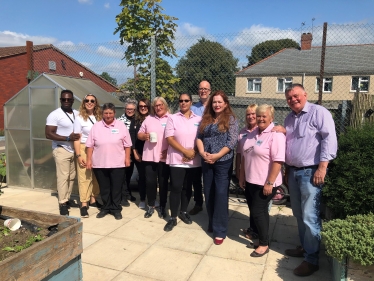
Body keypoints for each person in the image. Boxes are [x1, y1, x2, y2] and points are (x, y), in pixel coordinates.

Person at [282, 84, 337, 276]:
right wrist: (287, 170)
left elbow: (329, 139)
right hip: (293, 171)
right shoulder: (289, 118)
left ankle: (312, 260)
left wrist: (323, 167)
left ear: (305, 95)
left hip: (311, 172)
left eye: (296, 96)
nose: (293, 100)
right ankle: (305, 248)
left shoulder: (319, 112)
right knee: (298, 213)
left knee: (309, 216)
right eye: (289, 98)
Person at [238, 104, 285, 257]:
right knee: (257, 212)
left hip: (266, 183)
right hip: (251, 180)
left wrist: (270, 183)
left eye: (264, 116)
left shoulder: (275, 135)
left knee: (258, 212)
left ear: (271, 118)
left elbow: (278, 161)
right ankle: (260, 239)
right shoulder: (252, 134)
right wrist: (242, 176)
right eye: (259, 115)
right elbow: (245, 155)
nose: (260, 118)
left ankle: (264, 244)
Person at [196, 90, 238, 245]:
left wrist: (217, 155)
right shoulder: (206, 119)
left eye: (220, 102)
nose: (217, 104)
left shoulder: (231, 119)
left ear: (225, 103)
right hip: (206, 160)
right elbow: (199, 137)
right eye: (214, 102)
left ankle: (220, 230)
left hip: (223, 161)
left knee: (220, 194)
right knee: (209, 192)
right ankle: (212, 222)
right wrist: (202, 152)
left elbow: (232, 141)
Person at [86, 103, 132, 220]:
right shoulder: (96, 126)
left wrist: (127, 158)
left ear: (114, 113)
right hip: (100, 163)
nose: (108, 115)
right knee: (104, 187)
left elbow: (127, 145)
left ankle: (116, 208)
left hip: (118, 163)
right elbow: (90, 145)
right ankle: (106, 207)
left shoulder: (121, 126)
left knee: (116, 188)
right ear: (102, 114)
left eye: (110, 113)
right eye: (105, 113)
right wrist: (89, 160)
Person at [164, 93, 202, 231]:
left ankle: (183, 212)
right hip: (177, 159)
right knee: (175, 188)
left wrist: (194, 153)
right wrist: (185, 152)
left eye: (186, 100)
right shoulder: (172, 118)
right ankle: (173, 217)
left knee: (187, 188)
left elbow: (202, 138)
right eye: (181, 100)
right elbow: (170, 138)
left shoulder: (199, 119)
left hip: (194, 160)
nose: (183, 103)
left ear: (191, 102)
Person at [45, 89, 80, 215]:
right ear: (60, 100)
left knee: (71, 177)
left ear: (72, 100)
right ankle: (62, 203)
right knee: (63, 177)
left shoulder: (77, 113)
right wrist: (67, 138)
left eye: (69, 99)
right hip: (61, 149)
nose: (66, 101)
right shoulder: (55, 115)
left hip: (74, 150)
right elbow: (49, 134)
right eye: (64, 99)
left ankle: (67, 198)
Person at [138, 97, 170, 219]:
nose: (158, 107)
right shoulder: (148, 119)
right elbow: (139, 134)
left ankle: (162, 207)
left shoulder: (171, 119)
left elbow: (175, 137)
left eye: (161, 105)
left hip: (164, 157)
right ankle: (151, 205)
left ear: (165, 105)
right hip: (149, 156)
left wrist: (169, 150)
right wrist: (144, 136)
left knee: (163, 184)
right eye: (156, 105)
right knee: (150, 183)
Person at [73, 94, 102, 218]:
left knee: (97, 175)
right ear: (83, 102)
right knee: (84, 175)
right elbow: (76, 138)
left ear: (96, 103)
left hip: (98, 148)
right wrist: (79, 155)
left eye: (92, 101)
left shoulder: (100, 117)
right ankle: (84, 203)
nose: (89, 102)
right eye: (87, 100)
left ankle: (93, 199)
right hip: (84, 147)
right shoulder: (79, 118)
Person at [235, 104, 259, 241]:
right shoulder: (242, 132)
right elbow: (239, 154)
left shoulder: (262, 130)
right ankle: (252, 228)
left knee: (258, 206)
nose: (250, 116)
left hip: (258, 173)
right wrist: (238, 171)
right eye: (248, 114)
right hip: (246, 172)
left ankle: (258, 232)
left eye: (253, 114)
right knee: (250, 203)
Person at [188, 80, 211, 215]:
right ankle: (198, 203)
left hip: (211, 149)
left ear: (210, 91)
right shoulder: (193, 108)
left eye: (205, 89)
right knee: (196, 179)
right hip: (196, 148)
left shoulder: (215, 106)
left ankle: (210, 204)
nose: (203, 91)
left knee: (209, 179)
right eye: (200, 88)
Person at [118, 98, 138, 205]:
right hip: (123, 151)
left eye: (132, 109)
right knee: (124, 174)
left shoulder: (137, 120)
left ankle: (128, 192)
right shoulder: (120, 121)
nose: (130, 111)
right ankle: (123, 196)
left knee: (129, 174)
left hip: (133, 151)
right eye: (128, 109)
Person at [134, 98, 151, 209]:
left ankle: (152, 199)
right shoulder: (135, 121)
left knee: (151, 178)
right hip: (139, 153)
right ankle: (143, 199)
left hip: (151, 153)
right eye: (141, 106)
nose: (143, 108)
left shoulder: (153, 119)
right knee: (142, 177)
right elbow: (131, 138)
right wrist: (135, 152)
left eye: (145, 106)